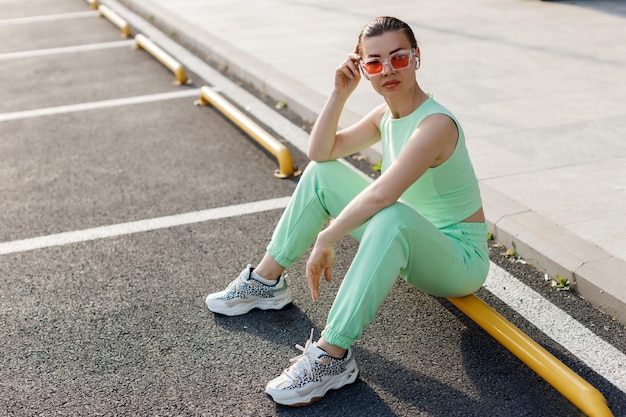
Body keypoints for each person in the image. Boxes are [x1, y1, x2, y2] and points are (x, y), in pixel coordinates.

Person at [205, 16, 489, 407]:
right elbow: (320, 153)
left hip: (460, 259)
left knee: (391, 215)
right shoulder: (385, 116)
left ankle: (332, 355)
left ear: (417, 58)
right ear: (362, 67)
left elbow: (380, 196)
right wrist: (339, 93)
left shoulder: (435, 124)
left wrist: (327, 236)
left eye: (399, 58)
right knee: (323, 175)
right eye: (374, 62)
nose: (387, 70)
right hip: (420, 238)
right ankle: (266, 281)